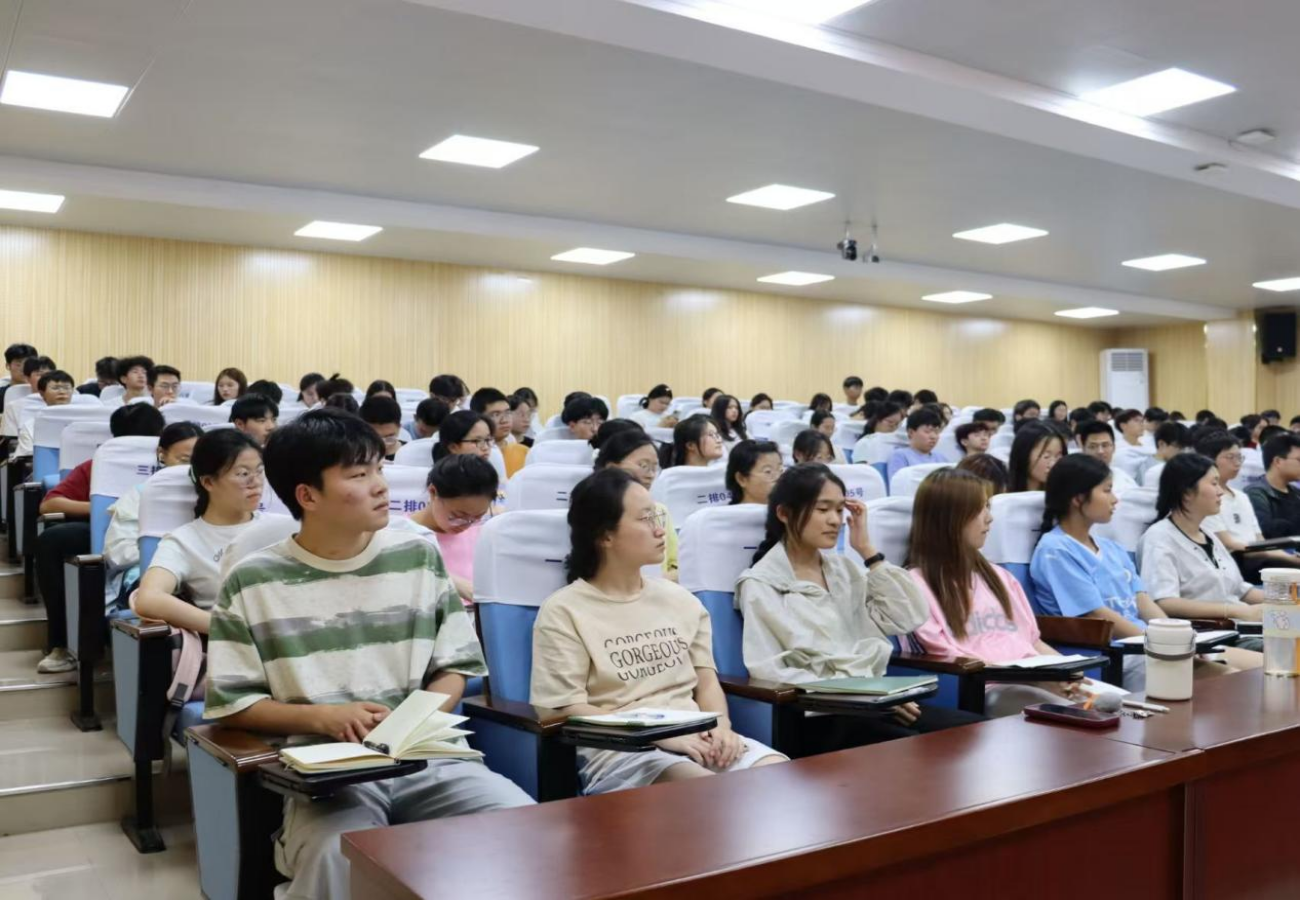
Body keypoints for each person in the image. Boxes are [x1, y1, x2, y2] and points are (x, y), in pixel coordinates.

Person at [206, 409, 532, 899]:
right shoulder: (252, 581)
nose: (381, 485)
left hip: (427, 758)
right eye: (359, 475)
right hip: (328, 774)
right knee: (334, 856)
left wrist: (411, 722)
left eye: (379, 468)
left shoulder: (418, 556)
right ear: (307, 496)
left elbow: (455, 668)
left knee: (523, 823)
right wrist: (325, 718)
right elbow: (234, 702)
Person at [531, 468, 786, 789]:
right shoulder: (564, 611)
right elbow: (562, 708)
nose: (659, 529)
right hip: (623, 751)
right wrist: (658, 735)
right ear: (605, 536)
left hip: (699, 738)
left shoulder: (679, 599)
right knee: (708, 794)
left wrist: (722, 727)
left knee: (781, 779)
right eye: (645, 519)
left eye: (658, 516)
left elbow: (706, 682)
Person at [736, 464, 981, 749]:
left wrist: (867, 551)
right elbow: (768, 671)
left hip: (874, 701)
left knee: (975, 732)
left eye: (840, 510)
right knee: (914, 749)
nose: (835, 520)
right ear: (784, 514)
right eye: (823, 509)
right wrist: (863, 694)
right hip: (818, 714)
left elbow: (908, 617)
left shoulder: (845, 571)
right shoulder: (762, 583)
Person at [910, 468, 1085, 713]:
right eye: (979, 509)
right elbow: (946, 657)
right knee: (1079, 716)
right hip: (987, 688)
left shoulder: (1000, 577)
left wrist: (1067, 672)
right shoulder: (916, 585)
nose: (989, 518)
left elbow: (1032, 641)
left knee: (1115, 704)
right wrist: (1039, 679)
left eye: (988, 506)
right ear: (948, 518)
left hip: (1035, 680)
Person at [35, 404, 166, 673]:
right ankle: (62, 643)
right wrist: (101, 508)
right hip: (106, 532)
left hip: (164, 534)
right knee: (53, 540)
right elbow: (49, 504)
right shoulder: (101, 464)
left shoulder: (178, 466)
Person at [132, 430, 264, 633]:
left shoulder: (285, 526)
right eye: (243, 474)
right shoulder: (185, 541)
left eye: (259, 471)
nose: (256, 482)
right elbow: (148, 599)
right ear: (208, 482)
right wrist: (227, 629)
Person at [1138, 454, 1265, 622]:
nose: (1221, 492)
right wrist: (1235, 611)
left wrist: (1284, 601)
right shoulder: (1159, 538)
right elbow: (1164, 601)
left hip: (1237, 623)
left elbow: (1241, 590)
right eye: (1214, 484)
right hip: (1204, 630)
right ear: (1187, 493)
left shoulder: (1208, 534)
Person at [103, 422, 203, 608]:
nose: (188, 469)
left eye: (196, 462)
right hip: (147, 572)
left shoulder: (215, 492)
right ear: (162, 454)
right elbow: (117, 552)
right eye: (183, 460)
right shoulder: (141, 494)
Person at [1196, 431, 1300, 582]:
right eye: (1230, 457)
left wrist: (1289, 557)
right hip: (1234, 563)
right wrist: (1288, 558)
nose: (1237, 463)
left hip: (1259, 559)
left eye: (1239, 457)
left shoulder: (1241, 496)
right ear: (1209, 460)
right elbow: (1229, 544)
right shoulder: (1205, 498)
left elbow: (1260, 541)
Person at [407, 455, 499, 603]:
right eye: (458, 516)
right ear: (433, 492)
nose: (466, 524)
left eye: (477, 517)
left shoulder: (484, 535)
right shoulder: (401, 535)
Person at [594, 429, 678, 580]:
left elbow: (676, 564)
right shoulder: (592, 512)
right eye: (643, 465)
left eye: (655, 468)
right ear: (612, 467)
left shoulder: (660, 511)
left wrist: (658, 583)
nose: (651, 475)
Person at [1246, 433, 1300, 540]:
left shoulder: (1296, 492)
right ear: (1278, 461)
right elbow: (1266, 530)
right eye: (1299, 460)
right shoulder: (1255, 493)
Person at [14, 369, 74, 457]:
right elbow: (26, 458)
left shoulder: (83, 422)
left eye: (66, 388)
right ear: (42, 394)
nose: (62, 392)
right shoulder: (32, 426)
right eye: (55, 388)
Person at [471, 387, 526, 476]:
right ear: (478, 417)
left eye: (507, 413)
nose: (504, 420)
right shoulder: (474, 453)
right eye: (495, 414)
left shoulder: (522, 450)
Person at [1075, 420, 1138, 493]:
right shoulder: (1076, 480)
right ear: (1083, 449)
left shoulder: (1123, 478)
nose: (1100, 451)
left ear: (1114, 448)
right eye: (1093, 446)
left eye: (1105, 445)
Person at [885, 408, 947, 480]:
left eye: (936, 432)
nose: (933, 436)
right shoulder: (900, 456)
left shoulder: (941, 458)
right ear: (911, 432)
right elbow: (897, 483)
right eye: (927, 431)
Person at [2, 355, 54, 436]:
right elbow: (9, 439)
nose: (46, 379)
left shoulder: (63, 403)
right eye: (40, 374)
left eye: (49, 375)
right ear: (27, 378)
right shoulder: (14, 407)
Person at [1007, 421, 1066, 492]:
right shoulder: (1001, 493)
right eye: (1046, 457)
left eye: (1058, 457)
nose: (1053, 464)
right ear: (1024, 455)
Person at [725, 439, 783, 506]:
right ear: (741, 479)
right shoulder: (728, 512)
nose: (778, 477)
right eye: (768, 472)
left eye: (780, 470)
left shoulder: (786, 510)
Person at [1136, 421, 1191, 487]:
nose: (1184, 452)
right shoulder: (1145, 467)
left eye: (1186, 448)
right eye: (1179, 447)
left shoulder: (1184, 465)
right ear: (1161, 444)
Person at [359, 395, 403, 460]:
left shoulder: (412, 453)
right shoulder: (352, 455)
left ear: (399, 427)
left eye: (389, 438)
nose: (383, 444)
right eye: (375, 438)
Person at [0, 343, 37, 410]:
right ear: (8, 366)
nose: (24, 368)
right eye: (18, 364)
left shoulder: (42, 393)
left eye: (28, 364)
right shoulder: (1, 394)